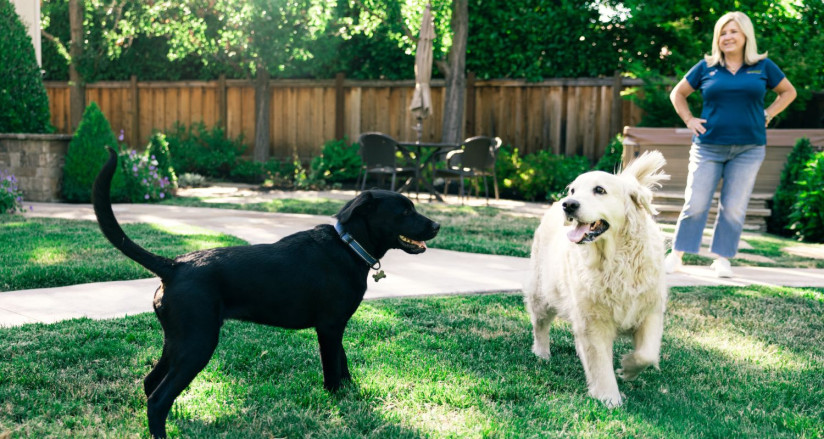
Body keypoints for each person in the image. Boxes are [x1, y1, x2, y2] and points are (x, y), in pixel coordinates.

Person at [666, 11, 796, 277]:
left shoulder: (763, 66)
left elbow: (788, 92)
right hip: (708, 146)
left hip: (749, 149)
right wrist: (689, 119)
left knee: (734, 206)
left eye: (733, 31)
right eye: (723, 33)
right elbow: (678, 93)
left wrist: (769, 113)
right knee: (696, 202)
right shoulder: (706, 67)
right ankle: (677, 255)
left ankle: (722, 259)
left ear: (745, 35)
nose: (727, 37)